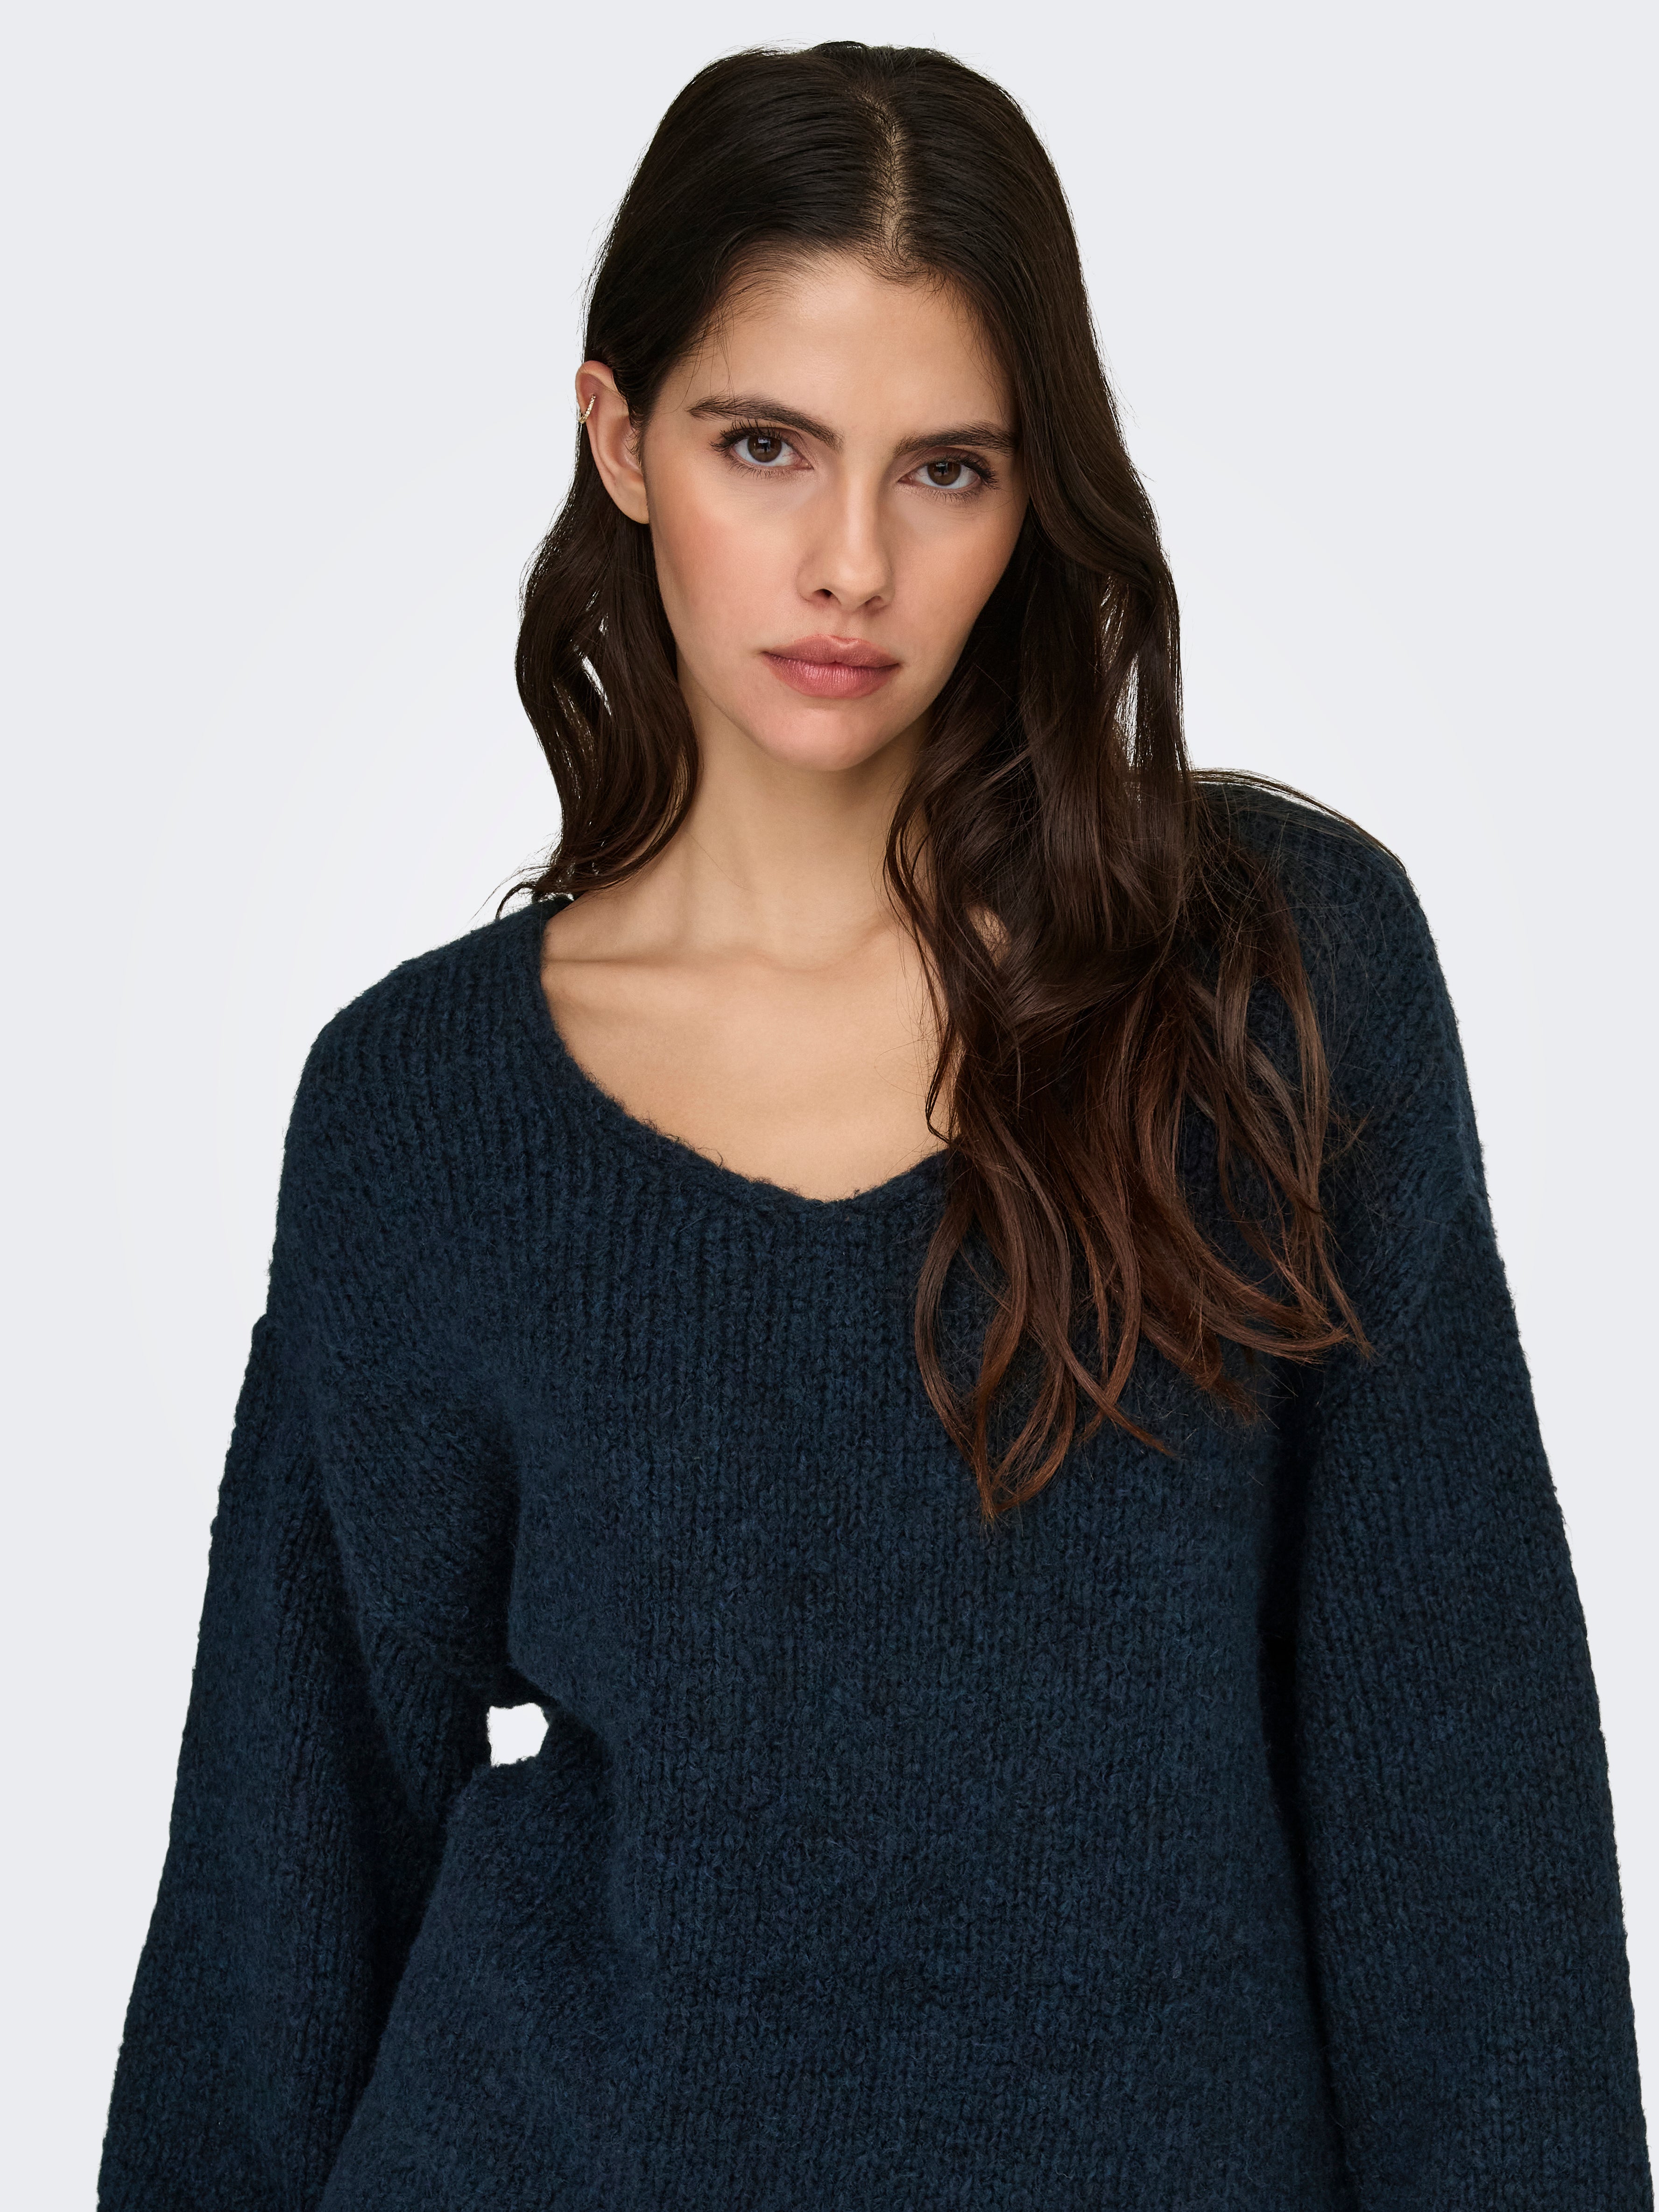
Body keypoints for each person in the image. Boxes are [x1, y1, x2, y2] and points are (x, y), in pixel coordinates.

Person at [98, 40, 1652, 2210]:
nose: (850, 562)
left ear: (1034, 498)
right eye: (765, 446)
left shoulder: (1273, 975)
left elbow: (1464, 1813)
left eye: (946, 470)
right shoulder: (423, 1115)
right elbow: (285, 1876)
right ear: (620, 440)